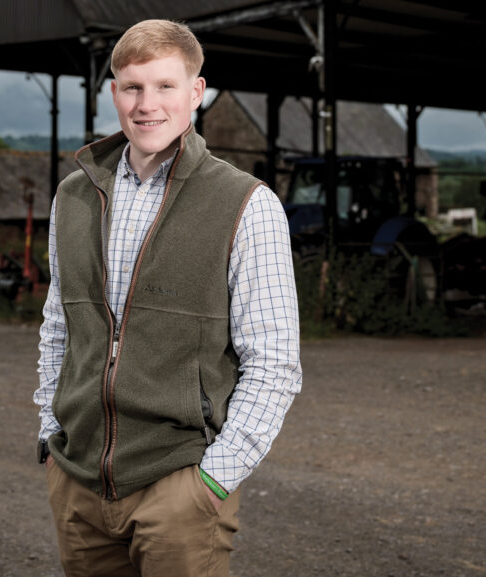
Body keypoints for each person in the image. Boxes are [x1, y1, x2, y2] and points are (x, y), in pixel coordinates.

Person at [34, 19, 302, 577]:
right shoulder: (74, 196)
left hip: (179, 484)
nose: (146, 104)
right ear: (113, 93)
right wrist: (49, 429)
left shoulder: (247, 204)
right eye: (132, 87)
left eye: (165, 86)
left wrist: (215, 477)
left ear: (196, 93)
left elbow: (274, 360)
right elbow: (59, 325)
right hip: (79, 481)